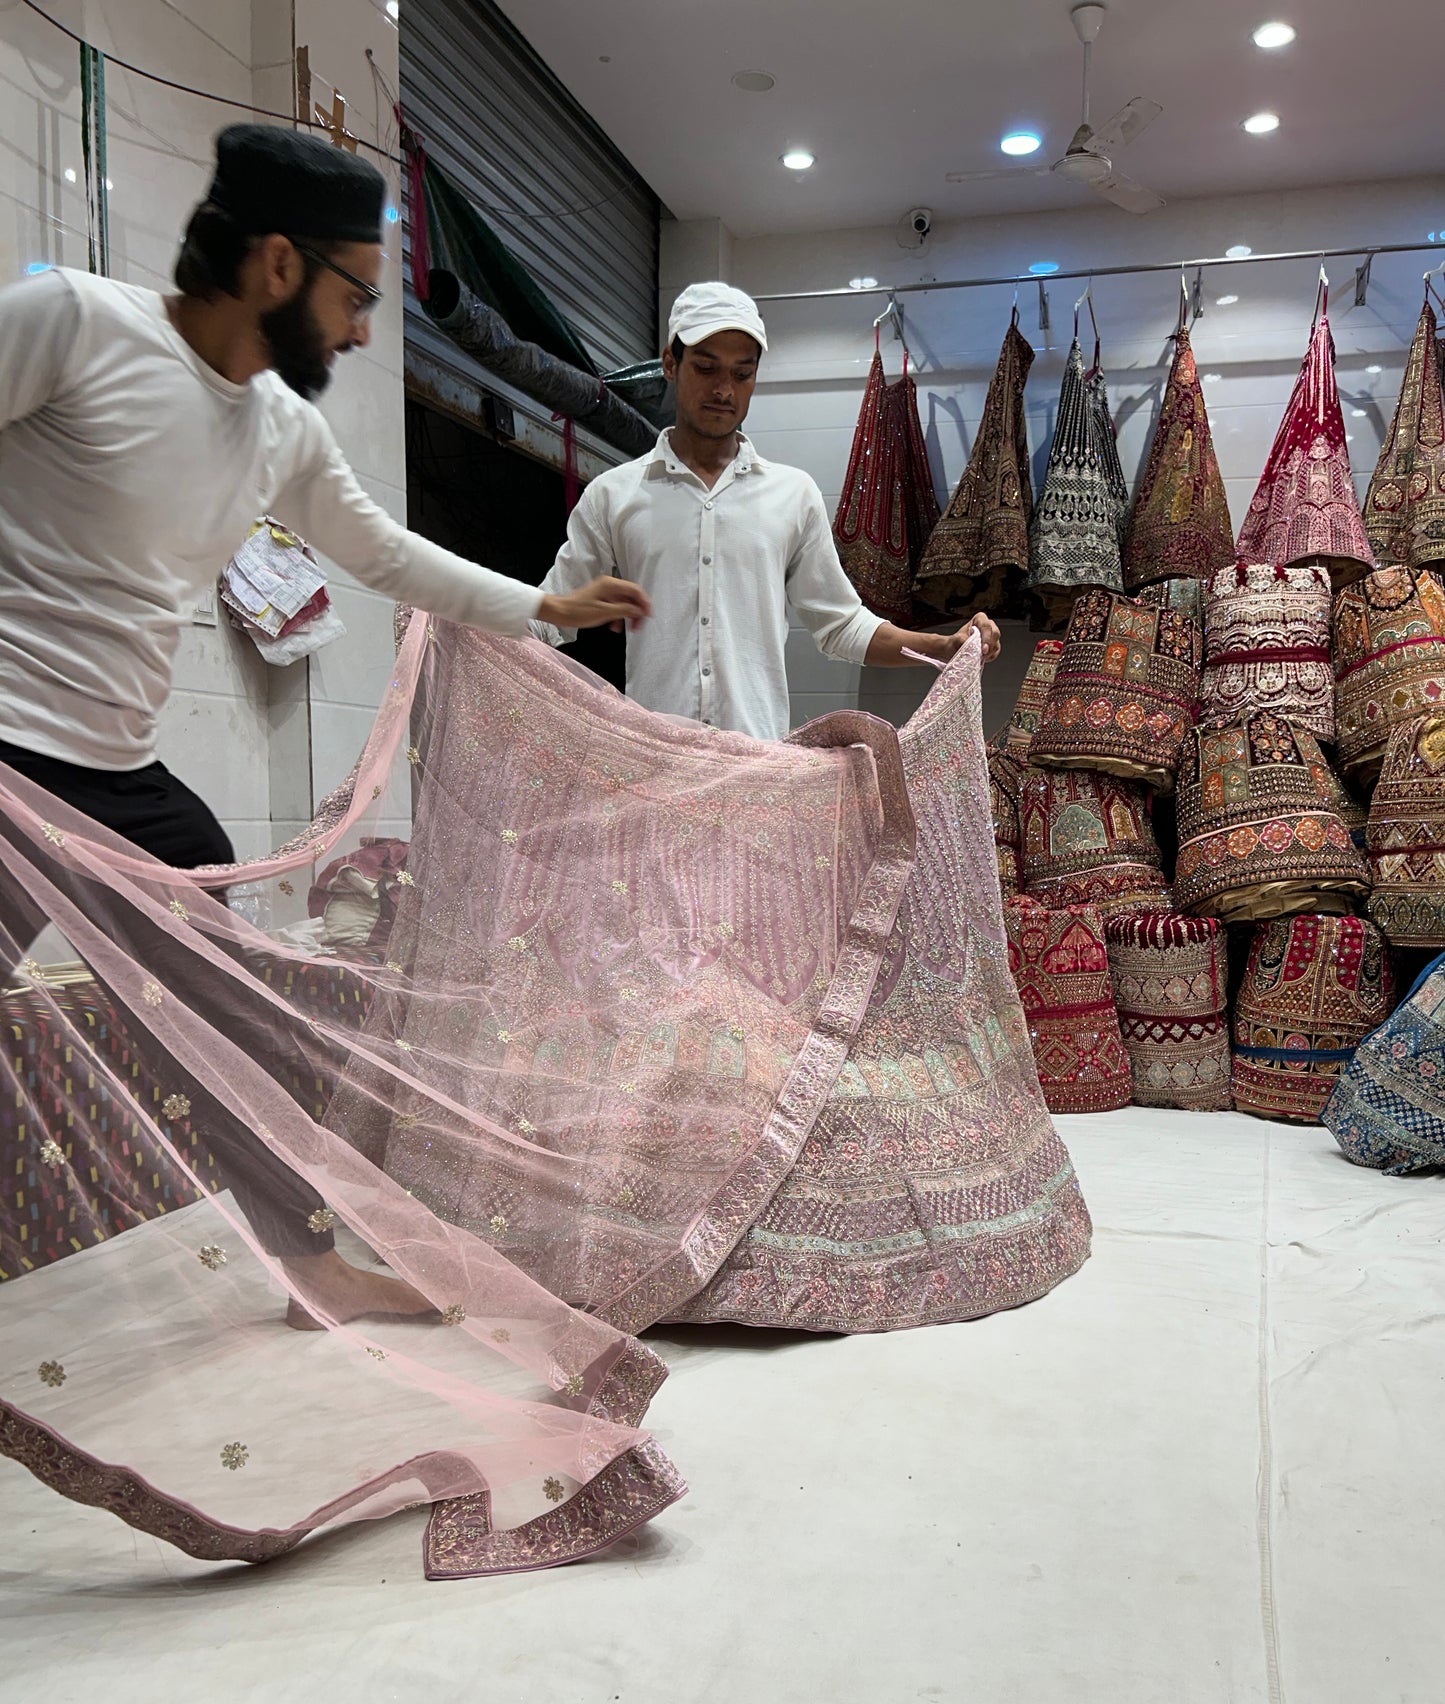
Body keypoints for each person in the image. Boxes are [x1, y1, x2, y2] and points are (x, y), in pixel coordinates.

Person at [0, 122, 649, 1319]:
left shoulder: (280, 429)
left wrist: (544, 605)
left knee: (240, 1011)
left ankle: (307, 1269)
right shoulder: (73, 322)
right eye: (357, 294)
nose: (361, 331)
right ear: (280, 264)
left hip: (119, 774)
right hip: (5, 756)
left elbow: (380, 553)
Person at [531, 281, 1000, 739]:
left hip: (759, 775)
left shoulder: (792, 495)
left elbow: (841, 625)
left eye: (741, 373)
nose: (724, 390)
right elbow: (549, 615)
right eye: (706, 368)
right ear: (671, 364)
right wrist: (465, 605)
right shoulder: (614, 496)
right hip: (657, 770)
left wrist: (943, 647)